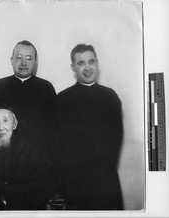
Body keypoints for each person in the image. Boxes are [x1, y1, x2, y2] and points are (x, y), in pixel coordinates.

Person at [54, 44, 124, 210]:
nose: (87, 68)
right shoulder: (62, 100)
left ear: (97, 63)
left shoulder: (111, 97)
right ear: (73, 67)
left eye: (91, 62)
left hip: (105, 182)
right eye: (80, 63)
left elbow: (115, 141)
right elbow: (58, 146)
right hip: (74, 184)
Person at [0, 40, 56, 151]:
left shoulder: (46, 88)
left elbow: (54, 130)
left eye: (29, 58)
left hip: (37, 157)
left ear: (35, 61)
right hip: (4, 156)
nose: (24, 63)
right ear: (11, 60)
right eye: (19, 57)